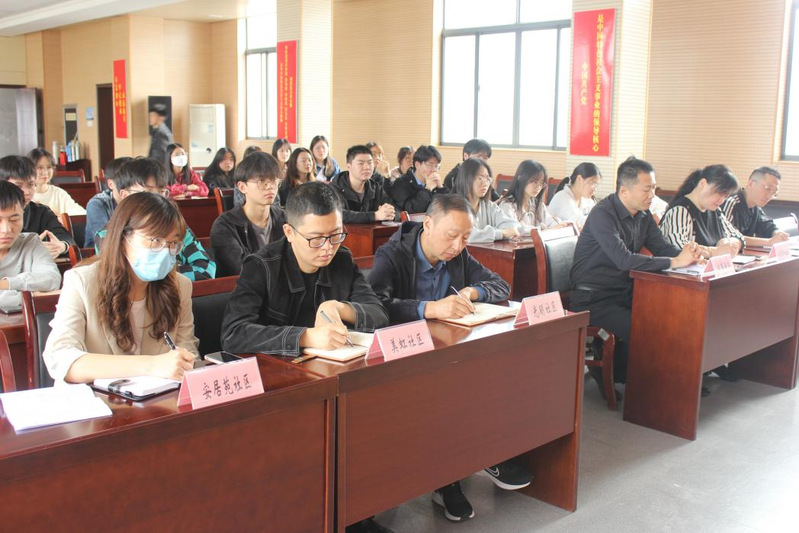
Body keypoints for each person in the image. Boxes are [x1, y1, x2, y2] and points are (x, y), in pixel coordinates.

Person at [367, 194, 529, 522]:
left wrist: (471, 291)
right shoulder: (392, 255)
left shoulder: (458, 255)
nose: (457, 246)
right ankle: (455, 472)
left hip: (447, 352)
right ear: (427, 224)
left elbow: (501, 285)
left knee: (492, 376)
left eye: (466, 238)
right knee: (450, 392)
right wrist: (429, 308)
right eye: (452, 236)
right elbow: (375, 308)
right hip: (402, 359)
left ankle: (466, 466)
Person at [570, 156, 702, 390]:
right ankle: (634, 385)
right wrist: (675, 261)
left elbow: (662, 248)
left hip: (625, 292)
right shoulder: (603, 214)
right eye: (647, 189)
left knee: (669, 318)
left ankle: (653, 381)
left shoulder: (643, 214)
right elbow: (624, 260)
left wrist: (689, 256)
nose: (652, 195)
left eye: (654, 188)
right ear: (624, 190)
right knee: (646, 328)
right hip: (594, 298)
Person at [43, 192, 199, 384]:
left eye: (173, 244)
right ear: (124, 237)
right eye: (155, 240)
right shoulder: (81, 282)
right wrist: (150, 365)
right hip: (98, 398)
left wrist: (183, 362)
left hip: (158, 398)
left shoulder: (180, 286)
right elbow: (60, 359)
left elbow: (188, 352)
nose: (165, 251)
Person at [221, 179, 388, 353]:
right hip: (279, 366)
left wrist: (337, 307)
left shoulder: (341, 258)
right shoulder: (261, 266)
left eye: (336, 235)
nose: (328, 247)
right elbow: (233, 334)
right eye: (316, 238)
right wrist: (306, 337)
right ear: (289, 232)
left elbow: (379, 313)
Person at [91, 157, 215, 281]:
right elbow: (118, 278)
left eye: (161, 192)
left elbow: (206, 270)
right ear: (125, 195)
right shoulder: (108, 234)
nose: (156, 199)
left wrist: (160, 277)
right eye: (147, 193)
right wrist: (169, 275)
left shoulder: (175, 228)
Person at [210, 152, 286, 277]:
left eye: (274, 181)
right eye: (262, 181)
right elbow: (242, 270)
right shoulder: (224, 226)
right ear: (242, 187)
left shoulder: (285, 219)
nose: (270, 187)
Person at [0, 181, 61, 309]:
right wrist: (34, 296)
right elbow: (44, 297)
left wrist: (6, 283)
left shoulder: (31, 242)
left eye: (14, 220)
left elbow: (52, 279)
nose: (6, 230)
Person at [660, 165, 744, 256]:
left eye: (726, 196)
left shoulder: (715, 210)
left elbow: (739, 237)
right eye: (719, 193)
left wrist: (728, 242)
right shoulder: (680, 210)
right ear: (703, 184)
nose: (721, 201)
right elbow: (679, 249)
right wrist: (713, 251)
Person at [0, 155, 74, 259]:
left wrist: (60, 246)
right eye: (18, 186)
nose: (26, 192)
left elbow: (67, 239)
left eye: (30, 185)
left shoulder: (41, 211)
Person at [452, 158, 519, 243]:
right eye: (480, 178)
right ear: (466, 179)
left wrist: (489, 234)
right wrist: (501, 233)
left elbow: (512, 225)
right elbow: (467, 235)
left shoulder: (489, 206)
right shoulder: (454, 207)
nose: (485, 183)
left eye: (488, 179)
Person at [721, 166, 790, 244]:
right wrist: (768, 242)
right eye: (768, 189)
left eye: (774, 192)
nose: (769, 196)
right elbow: (727, 236)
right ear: (751, 184)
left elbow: (766, 225)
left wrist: (776, 233)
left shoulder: (755, 207)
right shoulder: (731, 202)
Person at [329, 145, 396, 223]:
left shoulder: (375, 187)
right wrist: (375, 216)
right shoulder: (335, 187)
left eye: (370, 163)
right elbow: (338, 214)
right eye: (361, 163)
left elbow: (394, 208)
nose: (367, 167)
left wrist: (389, 212)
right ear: (349, 167)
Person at [498, 160, 564, 232]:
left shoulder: (537, 204)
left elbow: (550, 221)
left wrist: (561, 224)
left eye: (541, 183)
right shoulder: (507, 205)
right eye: (535, 181)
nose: (538, 187)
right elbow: (514, 230)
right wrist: (541, 229)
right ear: (520, 179)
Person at [85, 157, 131, 248]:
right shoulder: (97, 204)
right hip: (100, 253)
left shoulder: (141, 201)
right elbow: (104, 242)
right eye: (125, 179)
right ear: (110, 184)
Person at [388, 145, 448, 214]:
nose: (434, 170)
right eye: (430, 165)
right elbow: (411, 211)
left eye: (437, 166)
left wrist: (440, 188)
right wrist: (428, 189)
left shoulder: (434, 183)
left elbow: (447, 209)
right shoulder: (401, 183)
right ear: (417, 165)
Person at [28, 147, 86, 216]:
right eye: (40, 168)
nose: (45, 172)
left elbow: (79, 212)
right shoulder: (25, 195)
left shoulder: (59, 193)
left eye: (49, 167)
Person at [548, 162, 601, 228]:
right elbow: (578, 222)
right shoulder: (562, 198)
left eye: (596, 184)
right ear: (579, 179)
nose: (594, 188)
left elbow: (598, 215)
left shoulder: (587, 200)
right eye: (592, 182)